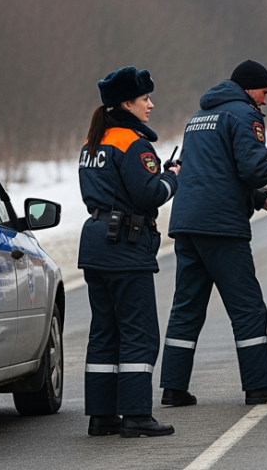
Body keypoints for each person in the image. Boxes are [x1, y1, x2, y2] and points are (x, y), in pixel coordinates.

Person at [160, 60, 267, 407]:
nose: (266, 101)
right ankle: (258, 384)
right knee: (248, 307)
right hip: (221, 225)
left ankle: (173, 387)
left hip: (187, 222)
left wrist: (262, 200)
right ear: (250, 88)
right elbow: (253, 166)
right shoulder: (244, 115)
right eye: (265, 92)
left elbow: (216, 170)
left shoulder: (198, 118)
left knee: (187, 308)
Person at [78, 66, 180, 438]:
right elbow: (149, 195)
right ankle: (136, 414)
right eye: (145, 99)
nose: (151, 105)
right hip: (125, 246)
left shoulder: (93, 142)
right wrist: (172, 176)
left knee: (104, 331)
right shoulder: (132, 143)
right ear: (126, 103)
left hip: (95, 243)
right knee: (139, 332)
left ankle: (102, 416)